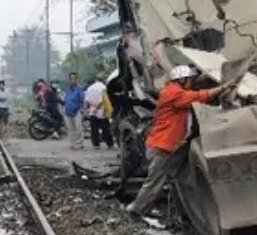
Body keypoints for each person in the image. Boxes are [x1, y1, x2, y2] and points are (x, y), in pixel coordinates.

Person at [126, 65, 234, 217]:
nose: (191, 82)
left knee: (176, 177)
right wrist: (223, 87)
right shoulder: (174, 93)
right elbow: (198, 96)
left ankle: (180, 211)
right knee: (155, 181)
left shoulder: (173, 90)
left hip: (165, 145)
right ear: (181, 80)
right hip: (162, 146)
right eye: (189, 79)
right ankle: (136, 209)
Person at [83, 73, 114, 149]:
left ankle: (96, 144)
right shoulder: (104, 87)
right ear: (103, 80)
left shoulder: (90, 88)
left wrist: (91, 108)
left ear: (96, 80)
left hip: (92, 111)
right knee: (105, 129)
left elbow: (87, 101)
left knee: (94, 129)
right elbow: (103, 100)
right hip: (102, 111)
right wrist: (97, 108)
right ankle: (109, 144)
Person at [63, 72, 85, 150]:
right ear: (69, 80)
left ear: (76, 79)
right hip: (67, 111)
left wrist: (82, 110)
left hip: (77, 110)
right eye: (71, 79)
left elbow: (82, 100)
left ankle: (79, 144)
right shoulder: (67, 89)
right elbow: (65, 99)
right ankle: (72, 144)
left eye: (74, 78)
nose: (72, 80)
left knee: (78, 128)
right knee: (70, 129)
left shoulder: (79, 89)